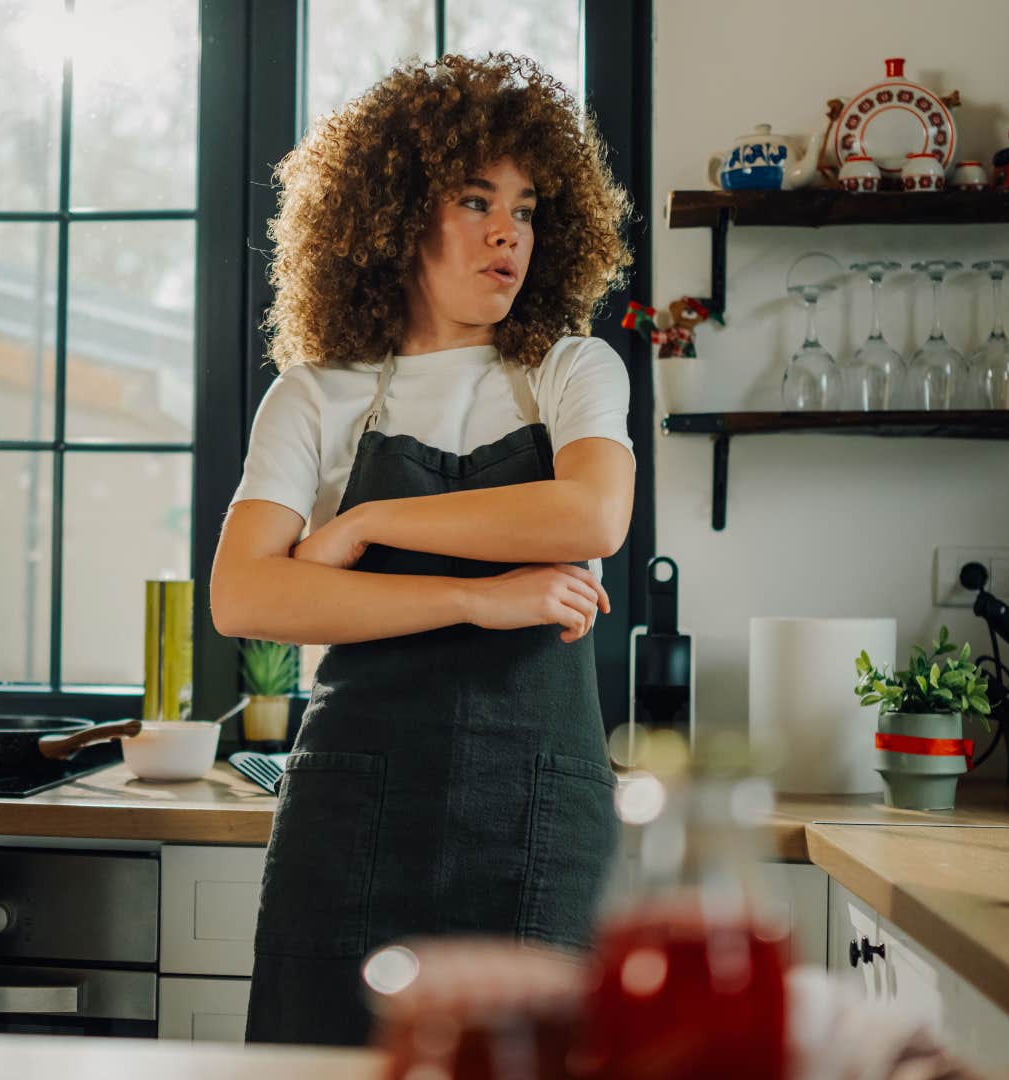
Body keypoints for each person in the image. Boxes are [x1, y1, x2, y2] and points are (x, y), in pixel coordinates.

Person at [210, 52, 635, 1046]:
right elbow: (244, 595)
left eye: (527, 209)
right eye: (476, 199)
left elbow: (590, 517)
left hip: (541, 813)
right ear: (396, 216)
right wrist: (479, 599)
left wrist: (365, 527)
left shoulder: (569, 370)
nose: (507, 233)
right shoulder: (317, 392)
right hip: (353, 812)